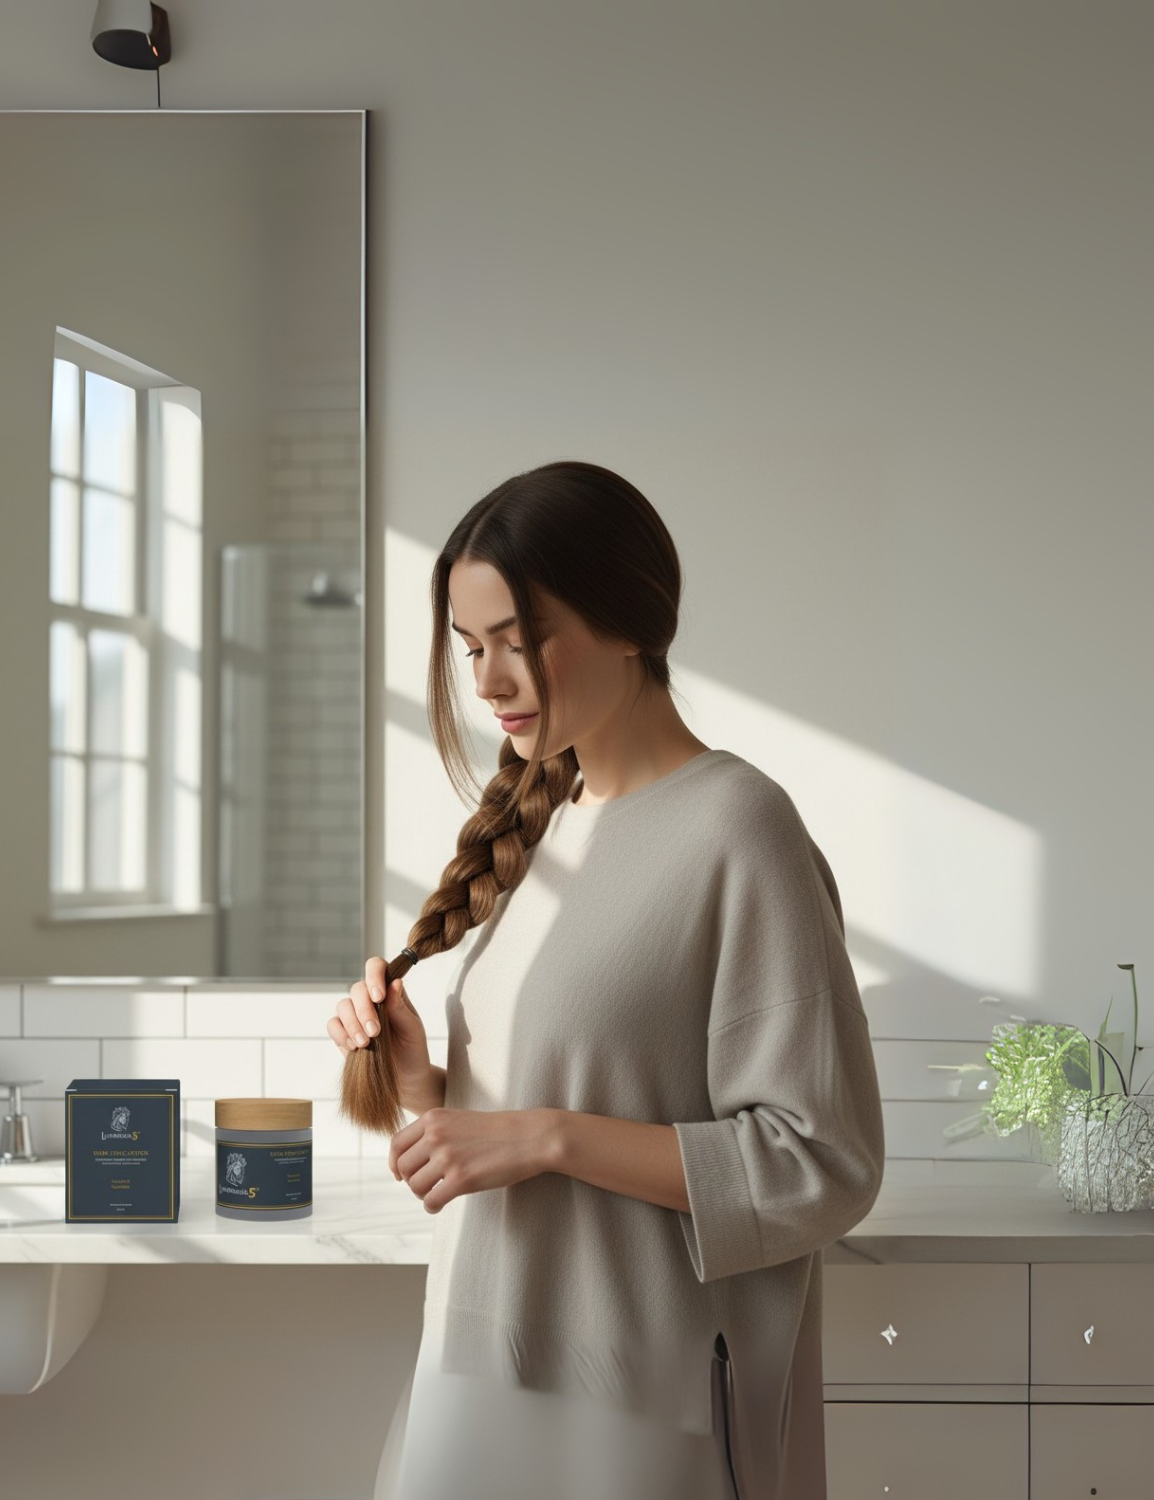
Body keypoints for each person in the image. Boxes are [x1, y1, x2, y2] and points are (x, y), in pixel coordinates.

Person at [329, 460, 886, 1500]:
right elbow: (525, 1150)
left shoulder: (739, 830)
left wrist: (548, 1134)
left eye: (518, 641)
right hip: (478, 1357)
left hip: (637, 1399)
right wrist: (427, 1089)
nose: (488, 681)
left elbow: (824, 1161)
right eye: (470, 649)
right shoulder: (545, 831)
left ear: (631, 624)